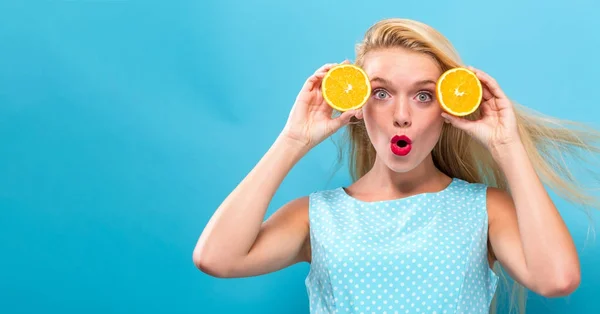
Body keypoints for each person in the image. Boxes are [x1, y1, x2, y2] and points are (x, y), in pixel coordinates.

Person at [193, 18, 600, 313]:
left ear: (448, 108)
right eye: (382, 93)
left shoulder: (486, 210)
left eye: (423, 96)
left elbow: (557, 280)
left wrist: (508, 146)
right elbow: (216, 258)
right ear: (357, 105)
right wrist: (293, 140)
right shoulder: (316, 217)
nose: (401, 115)